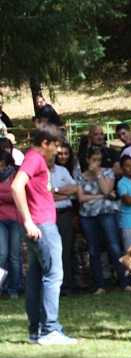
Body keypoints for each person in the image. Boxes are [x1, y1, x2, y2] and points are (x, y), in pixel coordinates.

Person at [11, 123, 77, 345]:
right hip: (42, 226)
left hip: (37, 225)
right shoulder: (35, 158)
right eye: (55, 146)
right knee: (53, 276)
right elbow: (16, 186)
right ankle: (50, 330)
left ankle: (36, 331)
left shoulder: (36, 159)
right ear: (45, 143)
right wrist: (28, 220)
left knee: (36, 279)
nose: (58, 151)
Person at [76, 147, 131, 295]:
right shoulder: (80, 177)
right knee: (93, 250)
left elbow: (106, 190)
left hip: (106, 213)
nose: (96, 163)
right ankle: (100, 285)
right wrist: (100, 197)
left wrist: (98, 174)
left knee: (114, 246)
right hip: (87, 216)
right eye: (93, 160)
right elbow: (81, 198)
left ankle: (124, 282)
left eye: (99, 160)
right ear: (87, 160)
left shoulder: (108, 173)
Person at [48, 150, 79, 296]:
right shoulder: (40, 173)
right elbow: (44, 196)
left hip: (64, 214)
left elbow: (74, 189)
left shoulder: (63, 170)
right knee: (49, 251)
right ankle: (52, 287)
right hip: (48, 215)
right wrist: (64, 193)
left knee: (65, 249)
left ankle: (66, 286)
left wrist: (55, 191)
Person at [0, 150, 20, 300]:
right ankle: (1, 287)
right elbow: (11, 195)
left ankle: (14, 288)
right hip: (0, 220)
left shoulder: (14, 175)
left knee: (14, 256)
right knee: (2, 255)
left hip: (15, 219)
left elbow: (17, 195)